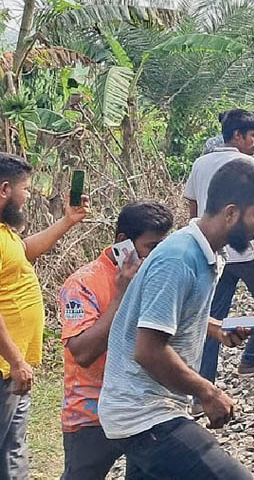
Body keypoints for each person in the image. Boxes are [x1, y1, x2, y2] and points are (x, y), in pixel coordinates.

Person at [99, 159, 254, 479]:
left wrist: (215, 328)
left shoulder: (208, 253)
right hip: (144, 414)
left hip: (151, 409)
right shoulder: (179, 257)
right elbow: (149, 350)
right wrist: (207, 392)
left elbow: (164, 313)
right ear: (231, 213)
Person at [59, 201, 173, 480]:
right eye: (151, 247)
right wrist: (122, 295)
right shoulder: (82, 283)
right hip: (92, 413)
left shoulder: (152, 273)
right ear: (124, 242)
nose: (156, 257)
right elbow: (83, 354)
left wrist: (216, 329)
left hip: (142, 407)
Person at [0, 154, 90, 478]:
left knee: (13, 446)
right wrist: (15, 360)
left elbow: (23, 252)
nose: (27, 197)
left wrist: (68, 220)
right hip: (6, 364)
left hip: (14, 364)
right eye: (25, 189)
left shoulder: (4, 232)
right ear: (5, 189)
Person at [185, 109, 254, 380]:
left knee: (213, 316)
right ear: (237, 135)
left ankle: (202, 385)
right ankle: (251, 357)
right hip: (241, 250)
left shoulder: (200, 163)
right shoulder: (247, 165)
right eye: (252, 135)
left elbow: (192, 208)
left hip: (212, 252)